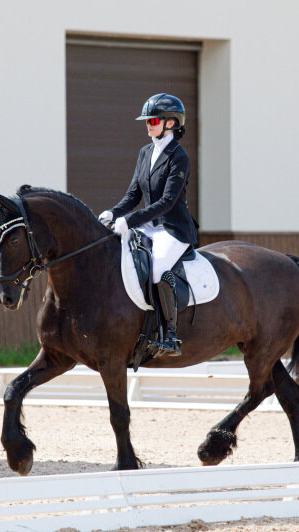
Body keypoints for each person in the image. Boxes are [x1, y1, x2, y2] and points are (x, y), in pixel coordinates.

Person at [99, 93, 198, 356]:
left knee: (157, 270)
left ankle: (169, 335)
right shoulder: (145, 152)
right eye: (146, 121)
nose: (148, 125)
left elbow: (167, 202)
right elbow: (134, 195)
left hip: (173, 229)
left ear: (171, 123)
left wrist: (129, 220)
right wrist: (112, 212)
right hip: (148, 226)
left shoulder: (179, 157)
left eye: (153, 120)